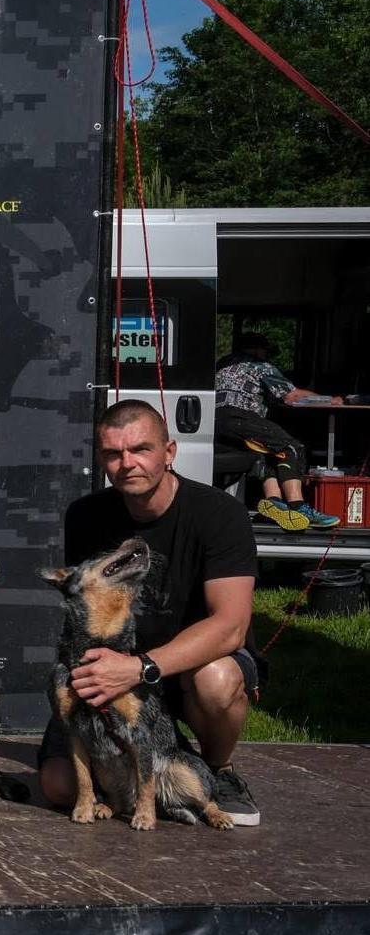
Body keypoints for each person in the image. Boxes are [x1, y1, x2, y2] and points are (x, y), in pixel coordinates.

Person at [38, 400, 263, 825]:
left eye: (141, 449)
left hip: (186, 671)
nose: (127, 463)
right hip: (113, 668)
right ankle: (134, 776)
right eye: (113, 453)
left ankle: (217, 770)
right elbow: (84, 614)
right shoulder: (85, 515)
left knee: (217, 680)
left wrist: (138, 668)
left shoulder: (220, 514)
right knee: (58, 787)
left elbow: (231, 627)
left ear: (169, 452)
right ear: (101, 460)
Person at [215, 333, 340, 530]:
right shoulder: (260, 366)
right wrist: (332, 400)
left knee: (267, 451)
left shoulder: (223, 364)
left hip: (217, 421)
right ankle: (298, 506)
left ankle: (274, 502)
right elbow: (291, 396)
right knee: (291, 447)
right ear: (259, 350)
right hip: (241, 417)